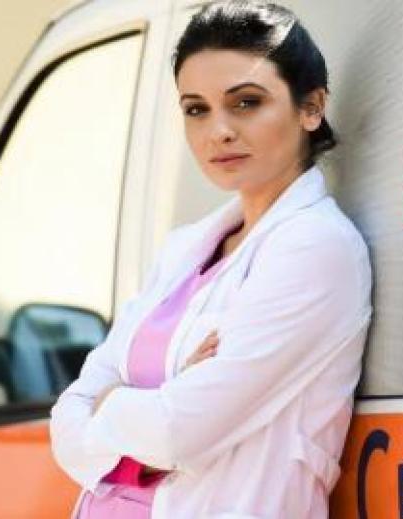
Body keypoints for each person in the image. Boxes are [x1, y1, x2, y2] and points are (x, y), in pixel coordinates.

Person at [48, 1, 372, 517]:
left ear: (311, 107)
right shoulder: (184, 249)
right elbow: (66, 424)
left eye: (245, 102)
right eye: (196, 109)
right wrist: (163, 394)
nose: (218, 130)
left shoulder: (316, 248)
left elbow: (178, 432)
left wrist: (111, 403)